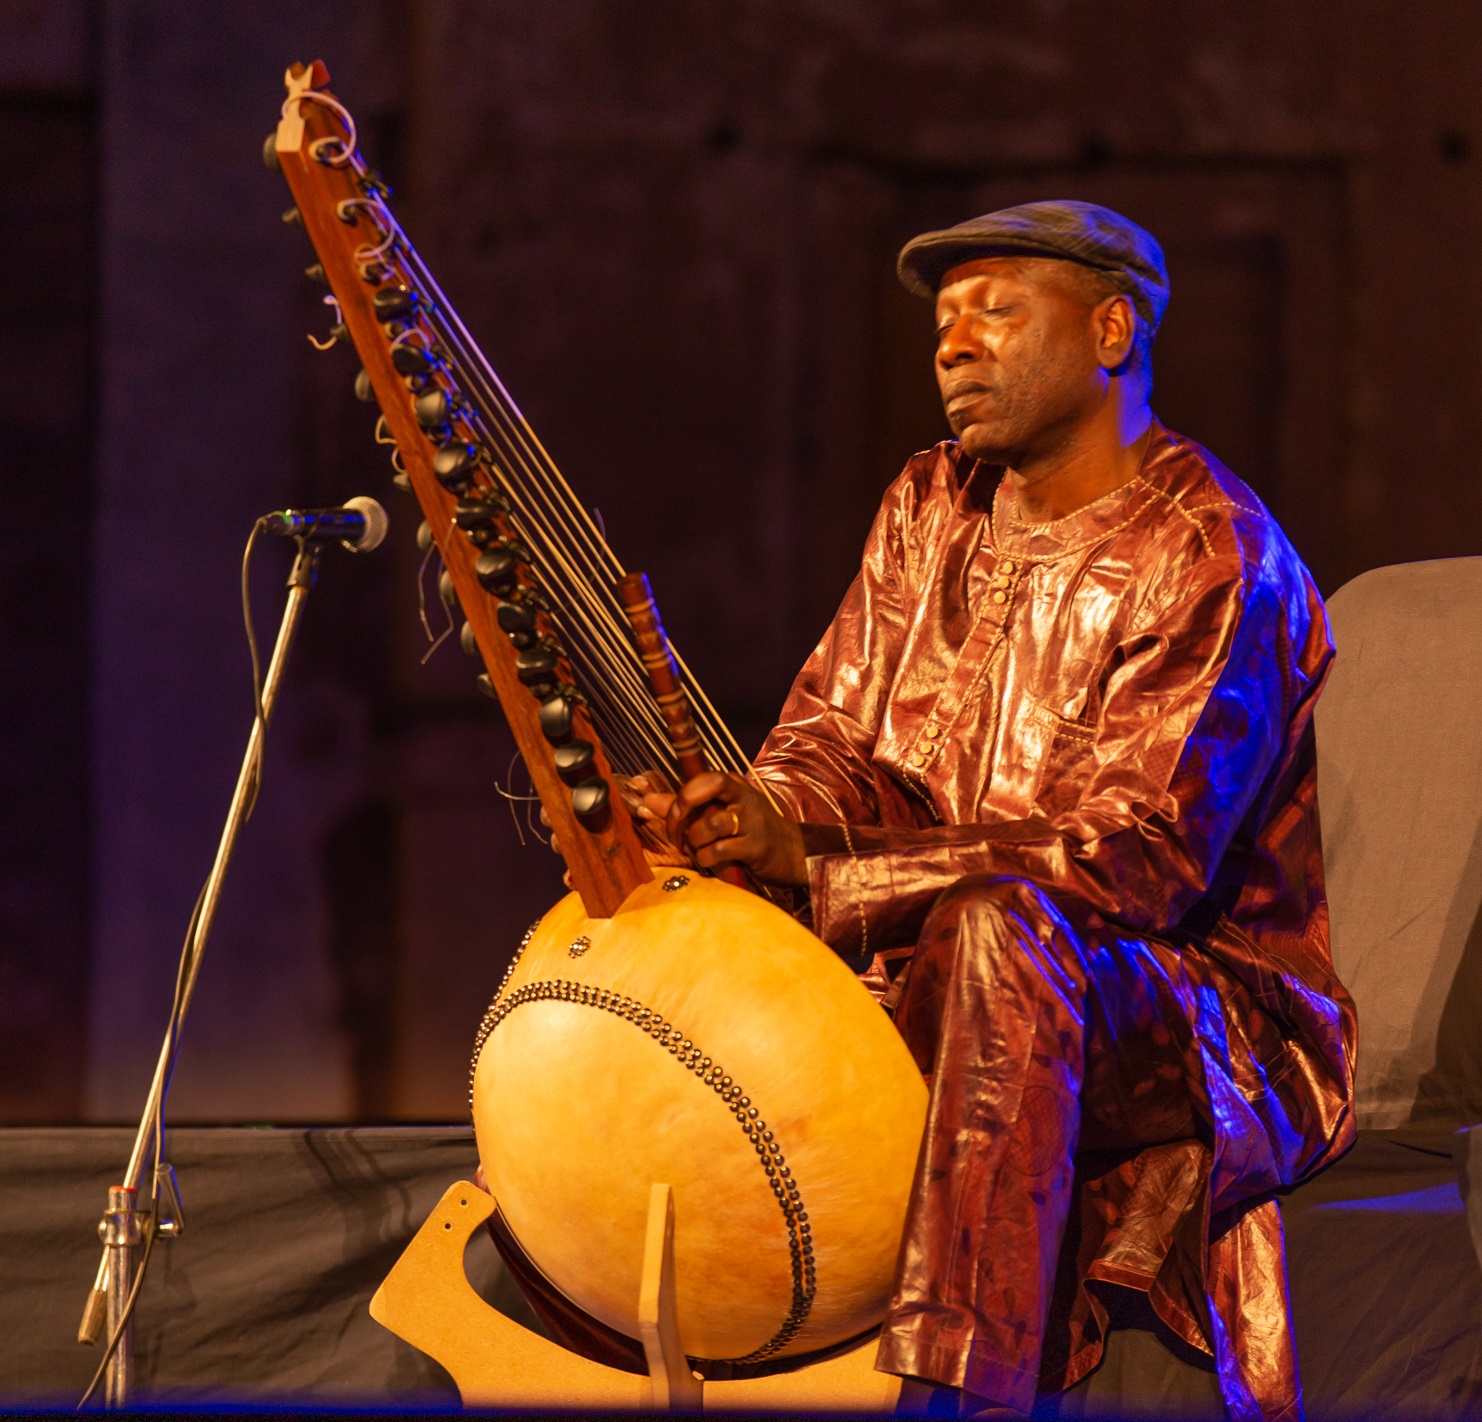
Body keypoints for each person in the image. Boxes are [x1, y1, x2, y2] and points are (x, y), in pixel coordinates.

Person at [636, 201, 1357, 1421]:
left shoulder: (1215, 549)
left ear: (1112, 328)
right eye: (941, 325)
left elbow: (1138, 859)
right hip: (939, 947)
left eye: (996, 312)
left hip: (1192, 1004)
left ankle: (958, 1393)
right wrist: (759, 816)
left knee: (997, 936)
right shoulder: (931, 502)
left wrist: (835, 874)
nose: (952, 346)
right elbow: (835, 739)